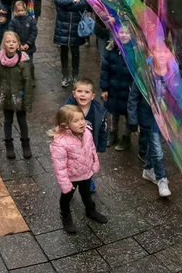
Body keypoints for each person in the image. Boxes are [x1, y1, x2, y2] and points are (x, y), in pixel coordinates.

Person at [49, 104, 108, 234]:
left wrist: (94, 163)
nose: (82, 123)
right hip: (71, 176)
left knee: (86, 193)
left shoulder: (86, 132)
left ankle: (90, 210)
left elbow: (92, 148)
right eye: (76, 121)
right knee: (66, 197)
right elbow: (59, 166)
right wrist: (65, 184)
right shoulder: (60, 142)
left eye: (82, 118)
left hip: (86, 172)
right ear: (65, 125)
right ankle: (66, 216)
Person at [0, 31, 33, 160]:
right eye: (8, 41)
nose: (11, 44)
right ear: (3, 44)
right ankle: (9, 145)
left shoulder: (23, 62)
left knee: (22, 122)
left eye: (14, 42)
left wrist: (27, 102)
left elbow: (28, 82)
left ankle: (25, 144)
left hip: (19, 97)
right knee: (7, 121)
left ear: (18, 45)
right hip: (5, 96)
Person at [127, 71, 172, 198]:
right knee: (157, 151)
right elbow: (133, 98)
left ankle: (148, 170)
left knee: (153, 146)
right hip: (149, 118)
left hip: (163, 119)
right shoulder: (142, 74)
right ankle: (161, 178)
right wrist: (133, 121)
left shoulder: (170, 74)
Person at [65, 77, 108, 191]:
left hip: (89, 145)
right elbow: (61, 127)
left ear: (92, 96)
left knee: (88, 165)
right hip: (72, 146)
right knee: (72, 164)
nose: (83, 95)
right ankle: (71, 180)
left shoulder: (98, 111)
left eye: (87, 92)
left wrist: (100, 148)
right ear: (74, 94)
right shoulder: (67, 110)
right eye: (79, 91)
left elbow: (103, 130)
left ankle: (88, 180)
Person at [99, 29, 134, 151]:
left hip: (128, 89)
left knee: (128, 113)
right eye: (121, 32)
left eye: (127, 32)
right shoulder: (111, 49)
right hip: (114, 87)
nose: (124, 35)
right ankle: (113, 132)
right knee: (114, 110)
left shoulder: (135, 51)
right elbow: (105, 70)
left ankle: (127, 136)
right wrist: (104, 88)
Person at [52, 0, 89, 87]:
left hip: (76, 24)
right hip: (62, 23)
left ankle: (75, 75)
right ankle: (65, 75)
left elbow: (84, 3)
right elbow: (57, 0)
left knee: (75, 50)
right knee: (63, 50)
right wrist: (73, 0)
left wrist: (67, 6)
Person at [7, 0, 37, 80]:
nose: (20, 12)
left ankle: (31, 78)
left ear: (25, 10)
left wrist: (28, 43)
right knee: (18, 63)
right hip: (18, 47)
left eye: (22, 10)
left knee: (29, 63)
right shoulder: (13, 21)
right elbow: (12, 33)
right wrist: (18, 45)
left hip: (29, 47)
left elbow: (33, 32)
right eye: (18, 11)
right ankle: (20, 78)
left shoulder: (30, 20)